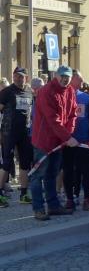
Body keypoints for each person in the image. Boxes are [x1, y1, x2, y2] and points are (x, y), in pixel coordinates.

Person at [28, 66, 78, 221]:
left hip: (58, 140)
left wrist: (67, 135)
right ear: (56, 76)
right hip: (43, 140)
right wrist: (67, 137)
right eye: (62, 76)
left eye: (67, 76)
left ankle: (53, 206)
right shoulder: (46, 91)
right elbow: (52, 119)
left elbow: (72, 114)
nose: (65, 79)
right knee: (38, 175)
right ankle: (38, 208)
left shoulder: (70, 91)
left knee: (52, 174)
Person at [62, 71, 89, 211]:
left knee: (87, 170)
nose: (82, 82)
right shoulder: (62, 96)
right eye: (79, 79)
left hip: (84, 141)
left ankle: (87, 199)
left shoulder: (87, 98)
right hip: (68, 141)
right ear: (71, 79)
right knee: (68, 170)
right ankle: (70, 199)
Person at [0, 67, 34, 206]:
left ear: (26, 78)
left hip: (24, 133)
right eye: (15, 76)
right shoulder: (7, 92)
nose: (18, 78)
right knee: (7, 163)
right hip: (9, 133)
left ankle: (24, 194)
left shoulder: (29, 92)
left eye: (21, 76)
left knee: (25, 163)